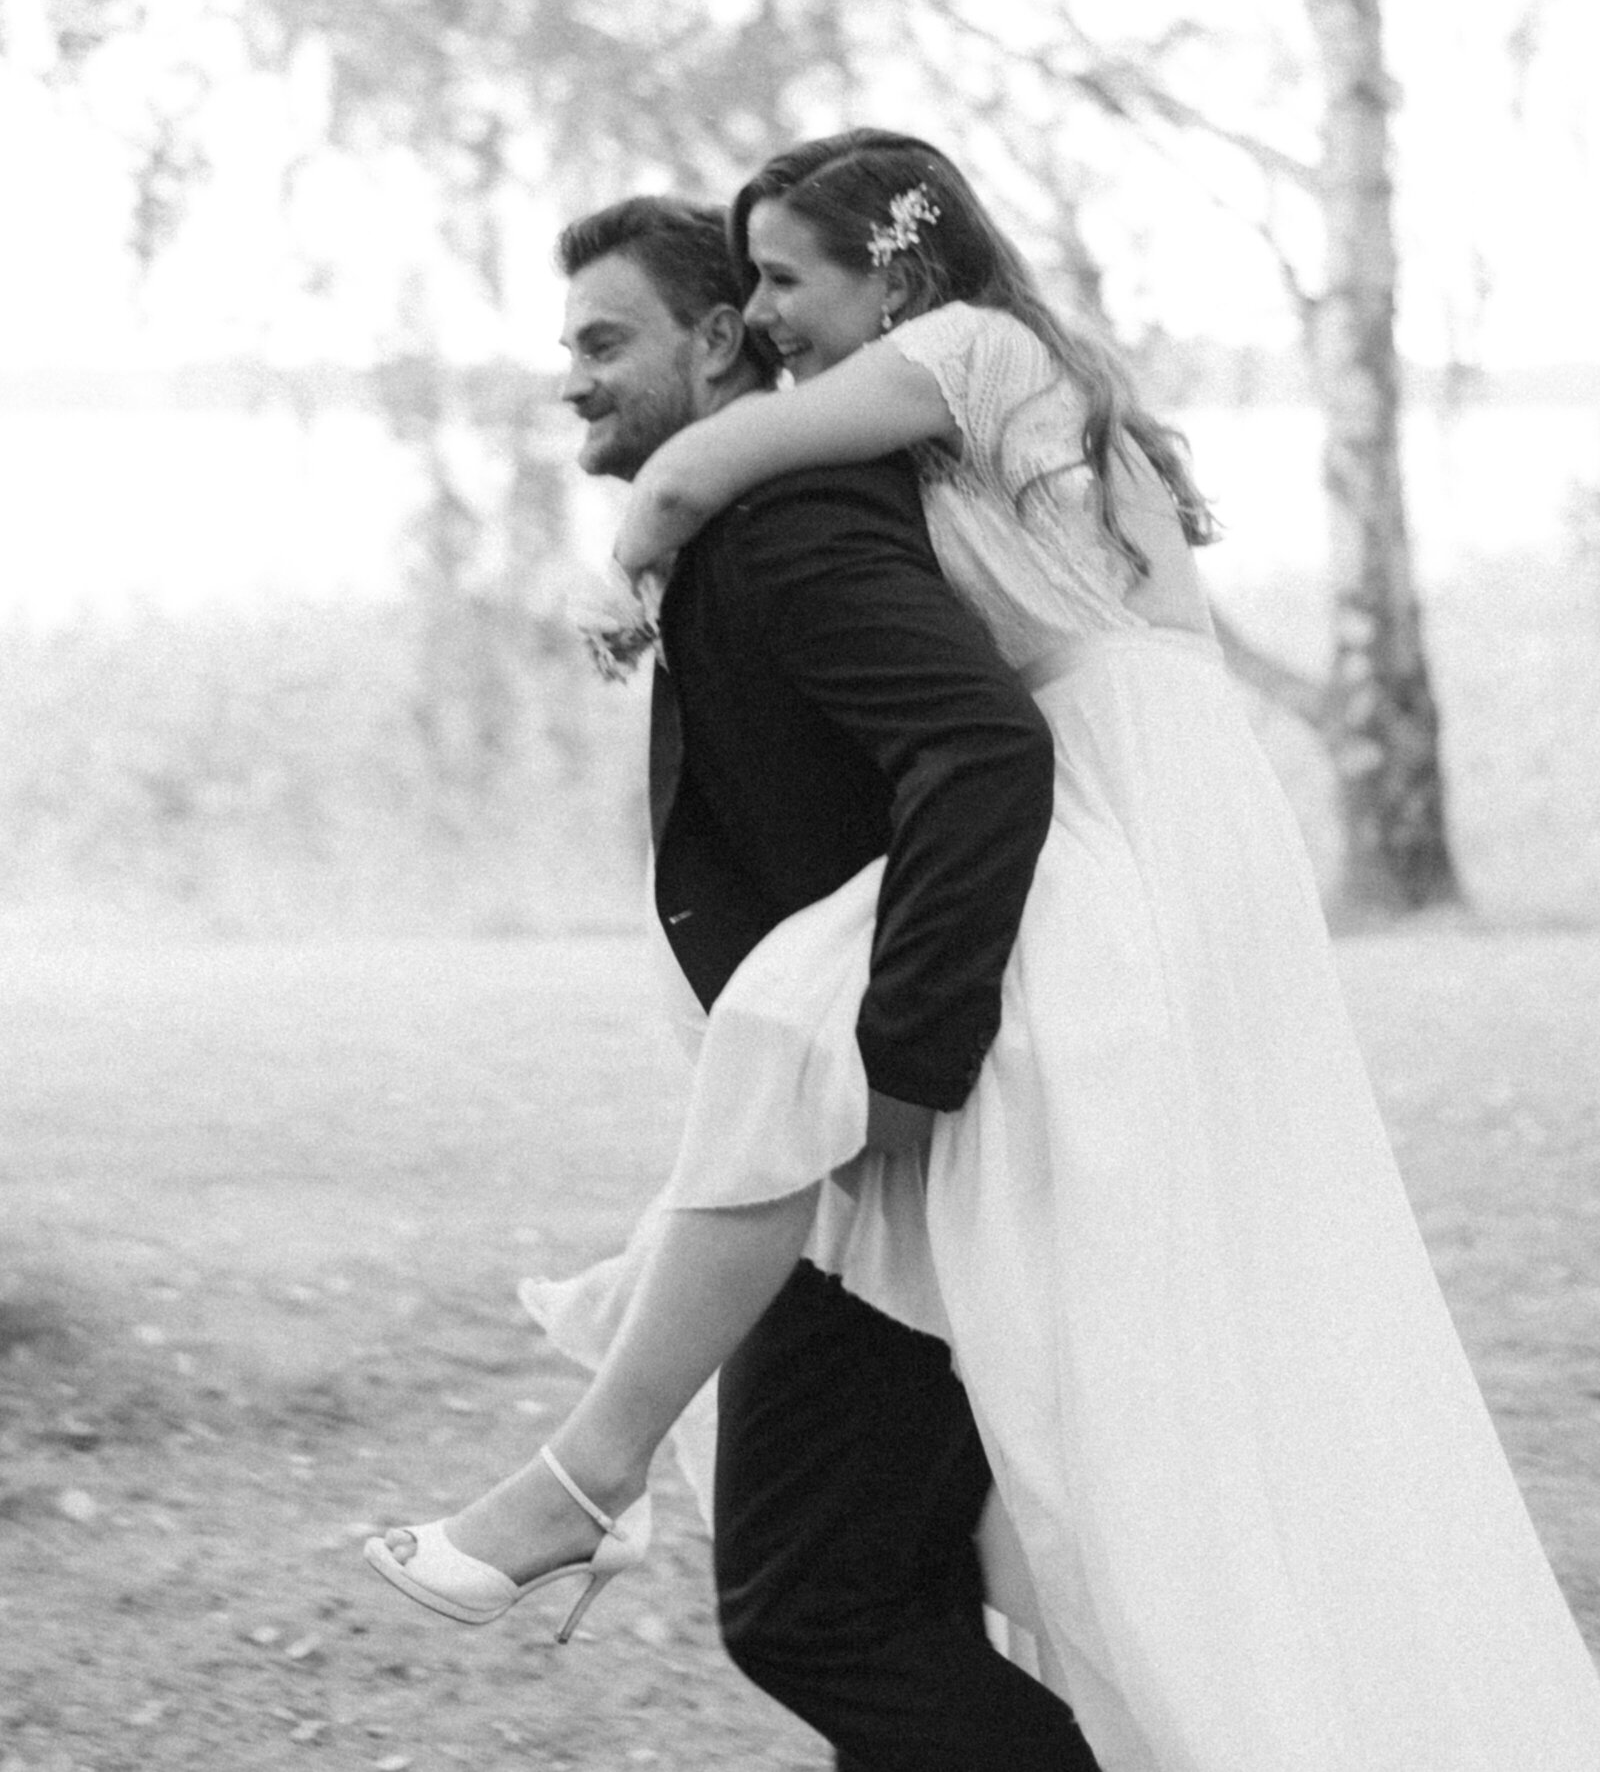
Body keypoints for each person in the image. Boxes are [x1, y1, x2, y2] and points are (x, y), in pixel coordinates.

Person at [373, 136, 1600, 1770]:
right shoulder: (1033, 377)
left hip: (1103, 799)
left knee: (794, 1034)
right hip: (1167, 811)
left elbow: (690, 477)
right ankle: (604, 1433)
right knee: (793, 1049)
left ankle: (591, 1468)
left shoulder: (968, 349)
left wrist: (629, 569)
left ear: (895, 267)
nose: (771, 320)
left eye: (787, 283)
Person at [367, 194, 1098, 1770]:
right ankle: (582, 1483)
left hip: (906, 1139)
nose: (571, 376)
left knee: (811, 1602)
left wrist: (908, 1068)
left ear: (719, 340)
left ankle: (577, 1488)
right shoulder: (747, 519)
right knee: (881, 1588)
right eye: (566, 344)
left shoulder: (786, 521)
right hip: (847, 1144)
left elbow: (981, 751)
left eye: (605, 340)